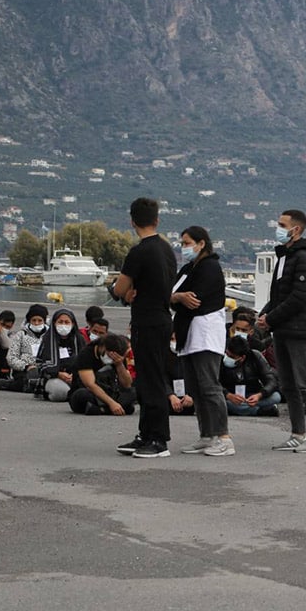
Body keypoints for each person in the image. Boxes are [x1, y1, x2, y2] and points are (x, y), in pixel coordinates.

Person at [109, 197, 178, 459]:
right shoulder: (167, 249)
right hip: (162, 317)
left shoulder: (139, 252)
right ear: (157, 220)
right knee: (152, 378)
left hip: (146, 321)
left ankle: (158, 439)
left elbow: (119, 289)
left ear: (132, 221)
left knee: (150, 381)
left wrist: (121, 291)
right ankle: (146, 434)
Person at [257, 209, 306, 453]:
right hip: (282, 329)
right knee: (288, 384)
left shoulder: (304, 258)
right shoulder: (284, 257)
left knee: (305, 384)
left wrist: (271, 318)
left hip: (298, 329)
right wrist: (265, 315)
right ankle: (297, 432)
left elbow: (298, 298)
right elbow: (278, 295)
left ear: (296, 229)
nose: (278, 228)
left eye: (282, 224)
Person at [171, 225, 234, 457]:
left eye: (187, 243)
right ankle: (206, 434)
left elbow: (194, 299)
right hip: (188, 333)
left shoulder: (210, 268)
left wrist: (178, 298)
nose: (184, 247)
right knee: (195, 388)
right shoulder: (188, 268)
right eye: (182, 243)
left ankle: (223, 436)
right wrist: (177, 297)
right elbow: (174, 296)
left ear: (201, 244)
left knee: (209, 386)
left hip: (206, 332)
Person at [68, 333, 136, 416]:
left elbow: (127, 384)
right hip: (91, 393)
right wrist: (112, 403)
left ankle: (101, 410)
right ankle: (115, 408)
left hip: (111, 392)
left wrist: (119, 364)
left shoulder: (118, 358)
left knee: (133, 392)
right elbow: (90, 385)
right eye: (109, 354)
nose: (111, 358)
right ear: (102, 346)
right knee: (81, 395)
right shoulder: (86, 354)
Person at [220, 336, 281, 417]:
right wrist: (227, 394)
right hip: (229, 396)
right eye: (227, 354)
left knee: (276, 397)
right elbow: (213, 382)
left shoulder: (255, 356)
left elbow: (271, 380)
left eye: (232, 357)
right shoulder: (221, 359)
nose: (227, 358)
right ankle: (258, 411)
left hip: (251, 395)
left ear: (242, 357)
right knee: (221, 402)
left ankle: (241, 409)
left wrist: (259, 395)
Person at [36, 308, 88, 402]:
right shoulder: (47, 339)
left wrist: (75, 375)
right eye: (60, 322)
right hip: (54, 377)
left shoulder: (79, 339)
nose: (63, 325)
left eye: (67, 322)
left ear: (72, 324)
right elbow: (39, 364)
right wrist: (58, 374)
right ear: (54, 323)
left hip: (76, 378)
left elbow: (86, 361)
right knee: (59, 392)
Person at [0, 304, 48, 392]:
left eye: (40, 320)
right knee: (23, 382)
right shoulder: (20, 335)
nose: (36, 323)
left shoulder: (50, 336)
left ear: (44, 321)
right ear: (29, 321)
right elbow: (11, 357)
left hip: (44, 370)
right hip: (23, 370)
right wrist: (26, 366)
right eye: (34, 320)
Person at [165, 332, 195, 417]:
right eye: (172, 339)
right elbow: (161, 378)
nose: (174, 342)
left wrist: (191, 396)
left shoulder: (192, 355)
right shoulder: (163, 355)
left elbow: (197, 378)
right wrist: (171, 396)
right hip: (169, 400)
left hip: (188, 400)